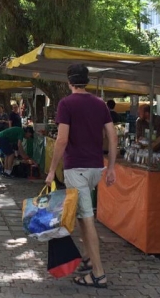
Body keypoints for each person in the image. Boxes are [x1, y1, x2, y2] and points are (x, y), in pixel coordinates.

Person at [46, 63, 116, 289]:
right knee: (82, 215)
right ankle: (87, 257)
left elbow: (62, 139)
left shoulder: (66, 104)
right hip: (96, 168)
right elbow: (112, 137)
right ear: (87, 80)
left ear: (69, 81)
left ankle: (98, 273)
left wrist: (51, 170)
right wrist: (112, 167)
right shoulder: (100, 104)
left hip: (76, 168)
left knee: (87, 218)